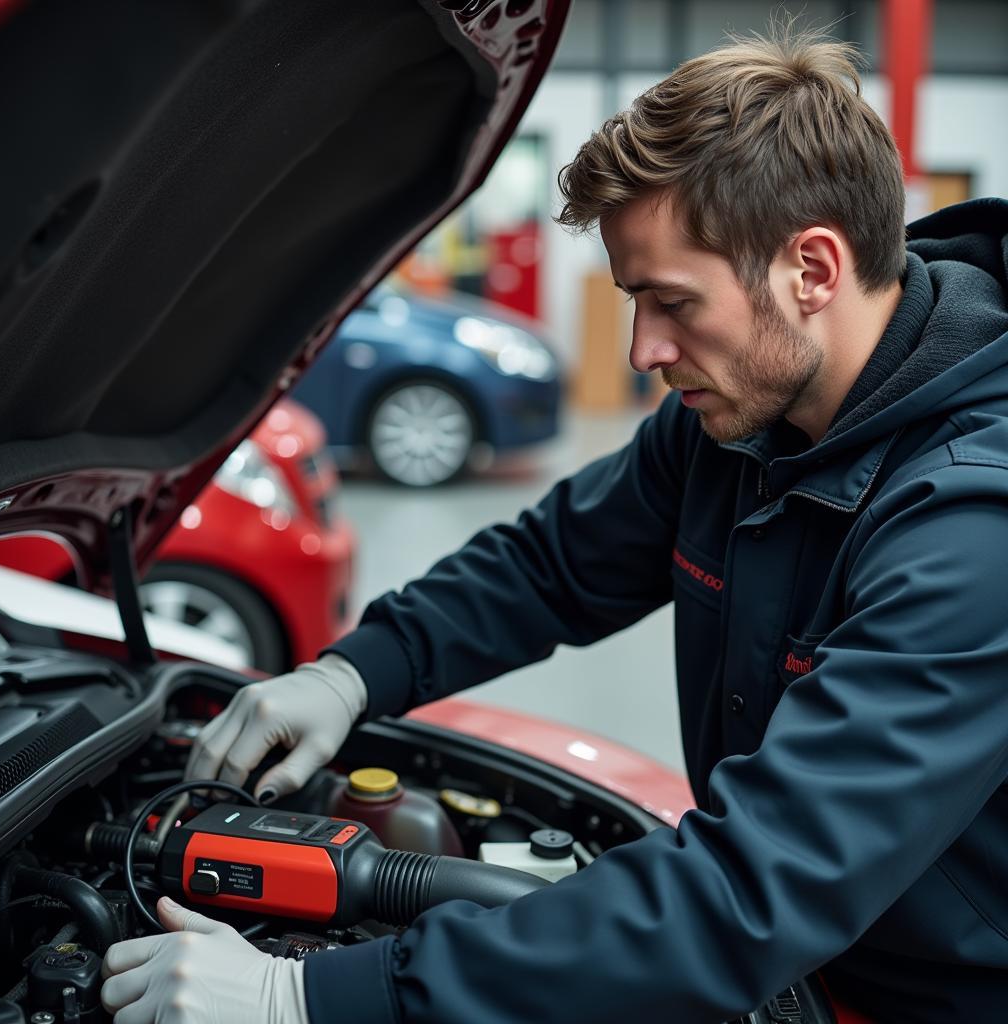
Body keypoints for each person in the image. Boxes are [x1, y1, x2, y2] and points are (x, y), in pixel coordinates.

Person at [100, 24, 1008, 1024]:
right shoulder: (737, 423)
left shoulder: (968, 527)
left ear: (814, 269)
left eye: (670, 301)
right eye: (631, 300)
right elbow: (551, 563)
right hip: (806, 959)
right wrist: (351, 671)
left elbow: (751, 891)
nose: (641, 349)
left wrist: (305, 997)